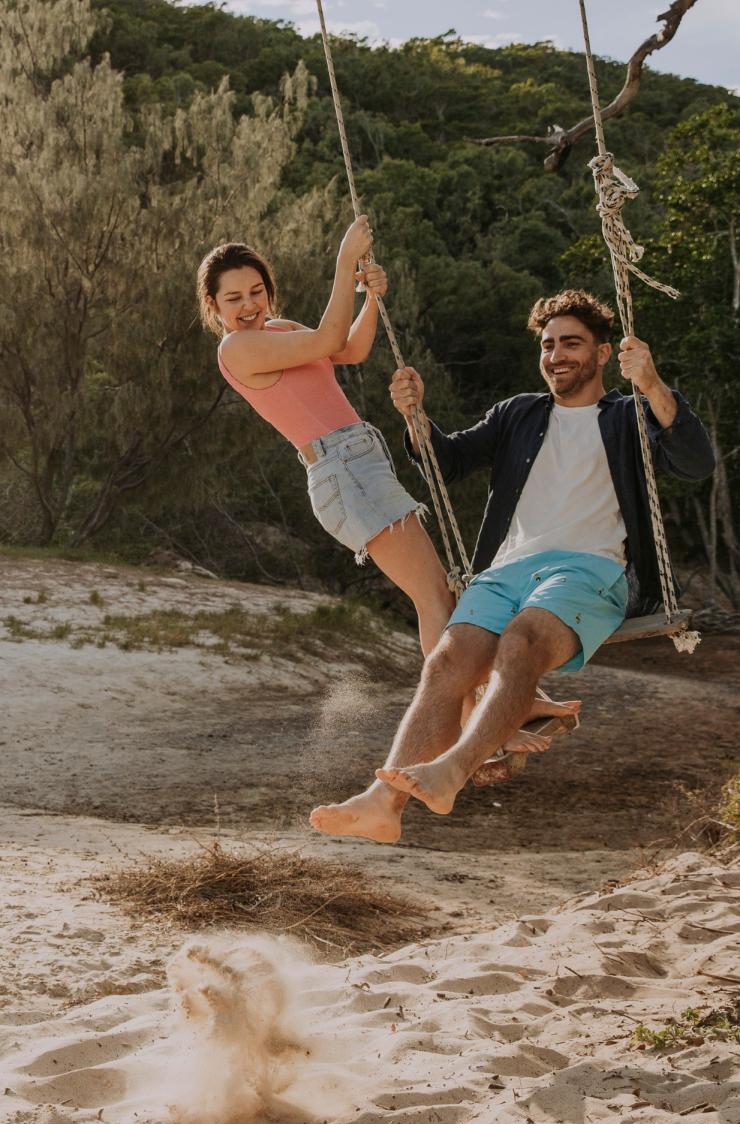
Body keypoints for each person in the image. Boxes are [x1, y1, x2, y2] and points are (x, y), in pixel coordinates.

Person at [309, 289, 714, 843]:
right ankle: (384, 804)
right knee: (446, 663)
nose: (556, 355)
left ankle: (453, 771)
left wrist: (651, 383)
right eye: (548, 345)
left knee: (521, 641)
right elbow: (445, 464)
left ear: (602, 353)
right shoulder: (518, 413)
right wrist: (416, 417)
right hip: (506, 571)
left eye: (571, 344)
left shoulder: (632, 414)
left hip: (589, 569)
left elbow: (695, 462)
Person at [196, 216, 453, 656]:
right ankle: (455, 700)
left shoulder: (280, 330)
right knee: (435, 598)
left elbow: (349, 349)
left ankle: (471, 698)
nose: (249, 305)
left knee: (440, 595)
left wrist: (371, 299)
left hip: (357, 461)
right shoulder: (235, 348)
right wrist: (344, 260)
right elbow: (329, 337)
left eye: (257, 291)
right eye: (234, 298)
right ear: (213, 305)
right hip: (343, 468)